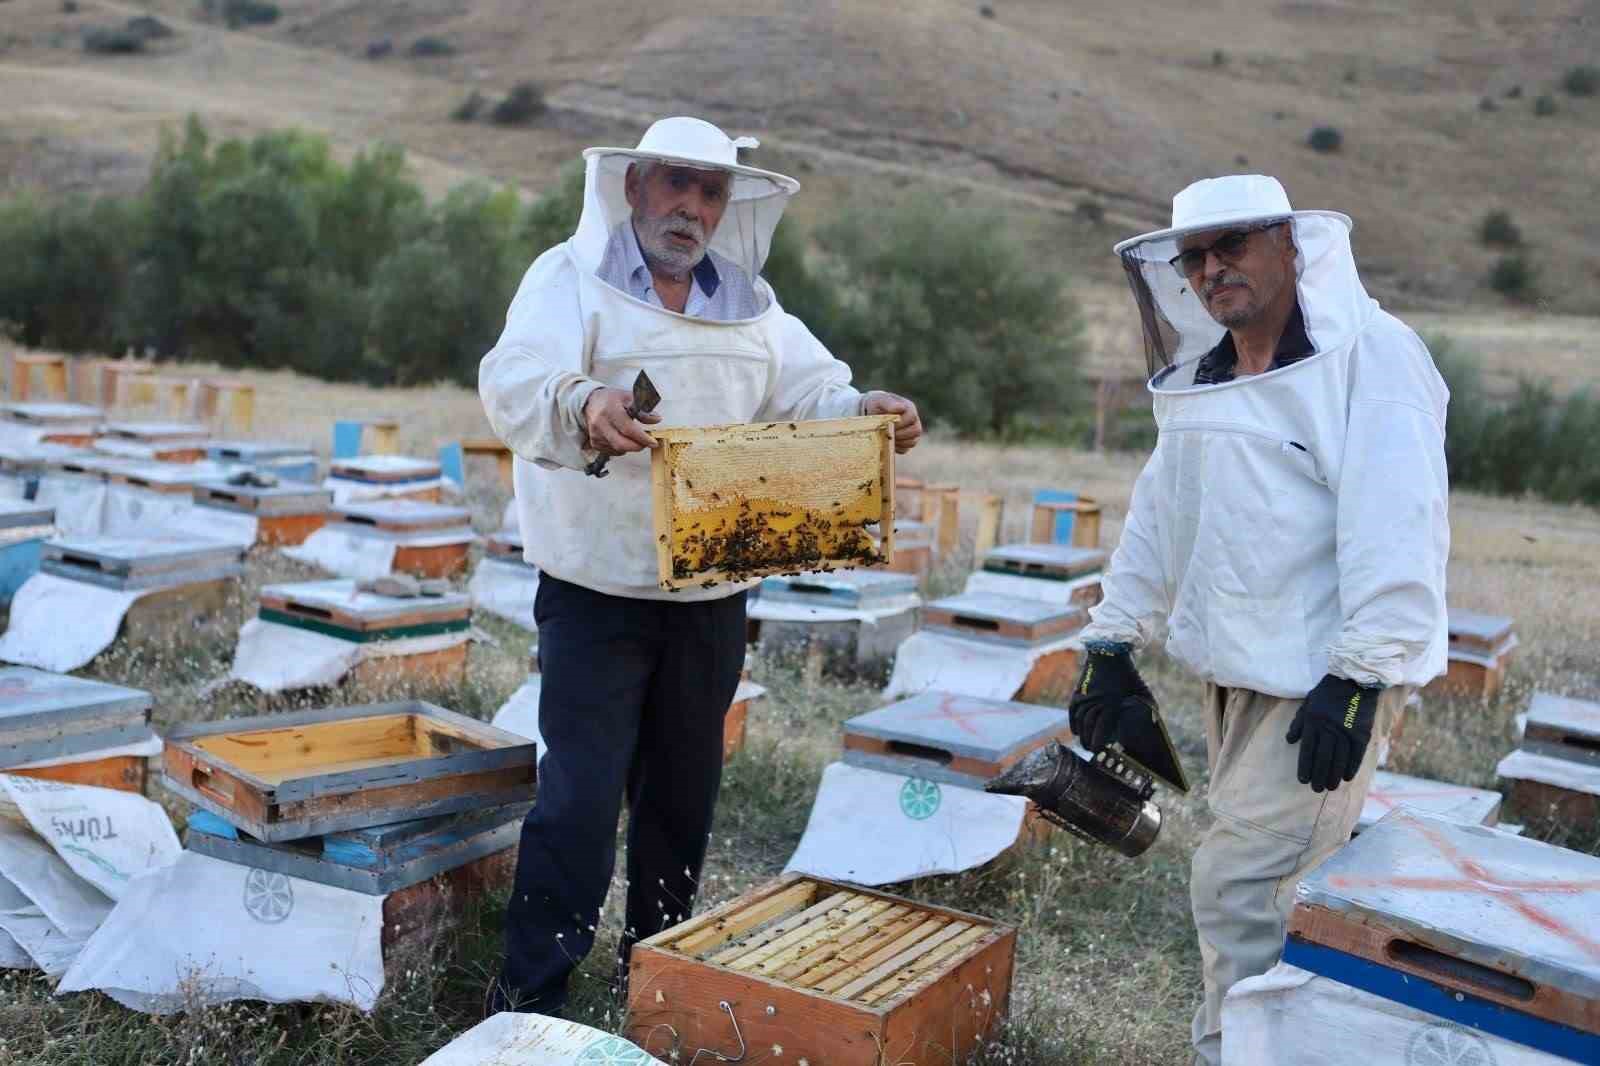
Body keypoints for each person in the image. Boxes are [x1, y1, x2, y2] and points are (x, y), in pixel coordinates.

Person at [478, 116, 922, 1015]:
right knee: (576, 801)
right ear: (635, 186)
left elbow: (808, 390)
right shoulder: (568, 281)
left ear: (727, 207)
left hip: (714, 591)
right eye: (675, 184)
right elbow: (514, 374)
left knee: (683, 801)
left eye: (710, 191)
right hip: (596, 591)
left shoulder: (752, 304)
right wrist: (583, 398)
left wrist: (863, 406)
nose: (691, 206)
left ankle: (658, 981)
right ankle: (531, 1001)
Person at [1068, 174, 1449, 1065]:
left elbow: (1398, 524)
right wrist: (1112, 641)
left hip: (1321, 686)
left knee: (1240, 891)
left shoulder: (1373, 358)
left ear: (1289, 243)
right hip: (1237, 680)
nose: (1211, 270)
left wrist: (1361, 677)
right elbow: (1161, 512)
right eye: (1194, 257)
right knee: (1268, 891)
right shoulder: (1206, 375)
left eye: (1232, 245)